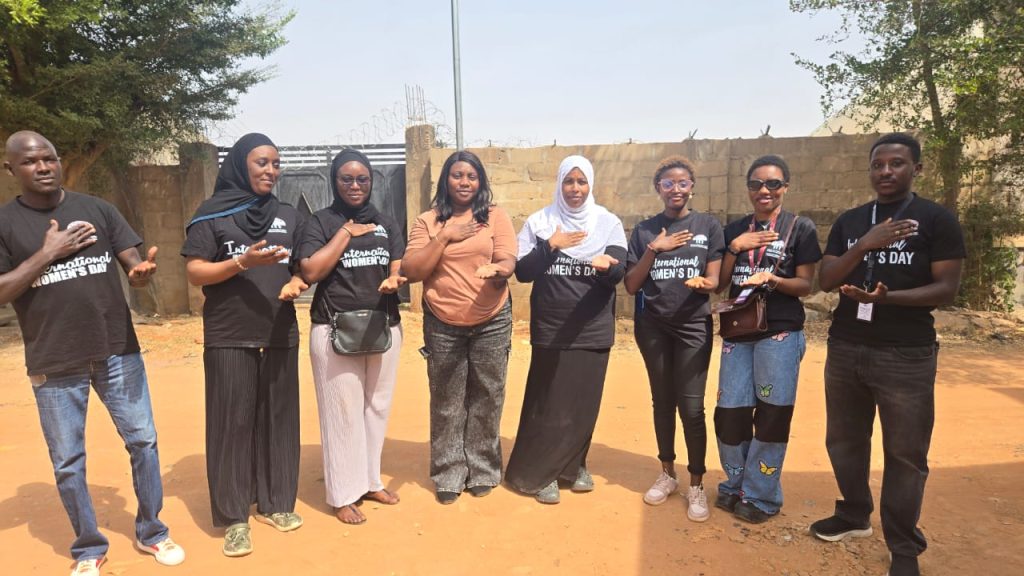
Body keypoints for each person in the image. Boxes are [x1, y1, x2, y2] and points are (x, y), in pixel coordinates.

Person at [0, 131, 185, 576]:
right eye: (30, 162)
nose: (43, 167)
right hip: (53, 359)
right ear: (11, 169)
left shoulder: (98, 209)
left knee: (143, 441)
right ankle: (88, 547)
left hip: (117, 349)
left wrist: (140, 274)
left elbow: (133, 262)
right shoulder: (5, 224)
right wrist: (48, 252)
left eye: (49, 158)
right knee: (68, 461)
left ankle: (152, 531)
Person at [811, 133, 964, 576]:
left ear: (917, 168)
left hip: (906, 353)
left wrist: (886, 299)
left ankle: (903, 546)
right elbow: (826, 280)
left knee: (905, 453)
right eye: (878, 164)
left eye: (896, 163)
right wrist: (865, 243)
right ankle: (854, 513)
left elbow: (946, 288)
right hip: (846, 346)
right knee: (844, 440)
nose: (886, 171)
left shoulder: (936, 219)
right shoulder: (852, 221)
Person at [181, 133, 308, 557]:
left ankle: (276, 503)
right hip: (229, 333)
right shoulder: (212, 214)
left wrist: (297, 281)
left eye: (276, 163)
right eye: (261, 163)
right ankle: (235, 517)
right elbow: (195, 272)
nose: (271, 170)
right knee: (231, 424)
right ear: (240, 165)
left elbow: (302, 267)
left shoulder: (288, 215)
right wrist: (241, 262)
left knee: (279, 419)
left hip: (279, 332)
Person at [505, 154, 627, 504]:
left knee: (583, 403)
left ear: (590, 185)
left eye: (581, 181)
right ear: (559, 184)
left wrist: (606, 268)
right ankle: (539, 473)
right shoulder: (540, 222)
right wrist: (550, 246)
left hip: (592, 327)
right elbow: (523, 272)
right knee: (548, 401)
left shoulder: (607, 223)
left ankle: (574, 467)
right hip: (552, 326)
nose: (575, 188)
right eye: (569, 181)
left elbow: (619, 272)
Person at [298, 149, 406, 525]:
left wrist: (396, 279)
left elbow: (397, 263)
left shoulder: (385, 222)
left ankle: (370, 481)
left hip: (383, 326)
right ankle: (343, 493)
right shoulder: (320, 222)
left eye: (362, 179)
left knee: (377, 407)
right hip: (334, 328)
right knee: (341, 412)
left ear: (371, 181)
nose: (355, 185)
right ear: (334, 181)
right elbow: (311, 270)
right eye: (347, 179)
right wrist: (345, 233)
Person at [402, 150, 516, 505]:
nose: (464, 182)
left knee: (488, 395)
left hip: (492, 319)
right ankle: (449, 472)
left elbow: (507, 257)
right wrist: (445, 236)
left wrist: (499, 270)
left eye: (471, 176)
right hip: (443, 322)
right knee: (447, 399)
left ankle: (482, 469)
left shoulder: (494, 217)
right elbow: (413, 270)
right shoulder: (428, 222)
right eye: (457, 175)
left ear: (480, 181)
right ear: (446, 180)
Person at [713, 155, 822, 524]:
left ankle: (760, 495)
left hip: (780, 332)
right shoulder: (734, 229)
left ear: (785, 187)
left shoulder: (799, 228)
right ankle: (735, 483)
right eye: (756, 184)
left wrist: (771, 280)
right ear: (748, 189)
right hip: (738, 331)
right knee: (730, 412)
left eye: (773, 184)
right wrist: (735, 247)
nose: (764, 190)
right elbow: (721, 282)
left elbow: (805, 285)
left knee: (772, 415)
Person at [623, 155, 723, 520]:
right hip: (653, 327)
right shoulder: (645, 231)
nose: (675, 189)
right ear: (658, 189)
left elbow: (715, 280)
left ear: (691, 187)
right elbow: (631, 285)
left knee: (692, 407)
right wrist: (655, 249)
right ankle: (667, 473)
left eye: (682, 183)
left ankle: (696, 483)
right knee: (662, 402)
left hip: (693, 325)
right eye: (668, 184)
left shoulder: (708, 226)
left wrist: (705, 283)